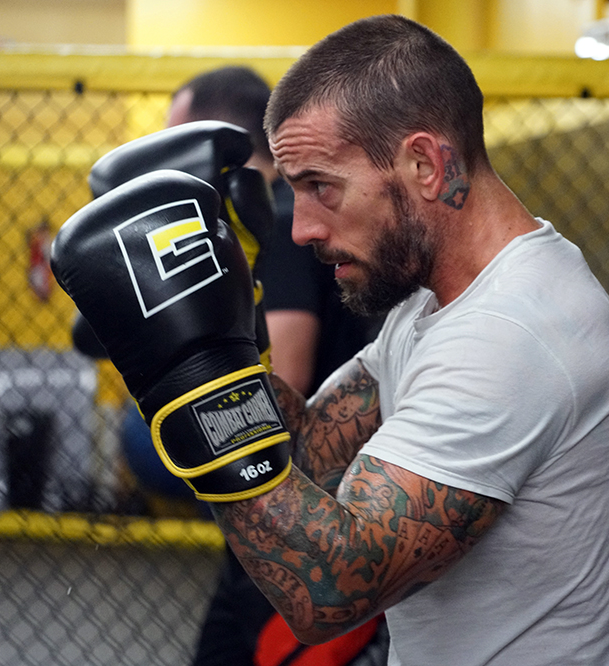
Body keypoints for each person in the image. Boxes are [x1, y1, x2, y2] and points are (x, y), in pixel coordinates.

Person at [51, 15, 609, 665]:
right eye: (296, 192)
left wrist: (189, 381)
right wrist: (213, 332)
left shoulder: (511, 337)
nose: (302, 229)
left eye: (323, 186)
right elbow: (314, 451)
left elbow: (333, 589)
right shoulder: (438, 302)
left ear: (426, 165)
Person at [165, 66, 387, 666]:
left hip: (299, 506)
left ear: (203, 140)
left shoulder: (279, 219)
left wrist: (177, 376)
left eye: (170, 139)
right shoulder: (252, 221)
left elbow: (285, 376)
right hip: (281, 505)